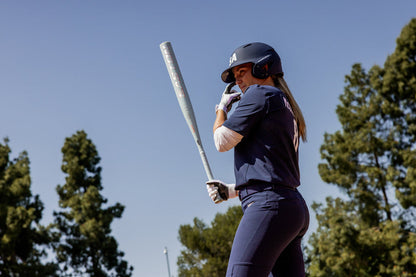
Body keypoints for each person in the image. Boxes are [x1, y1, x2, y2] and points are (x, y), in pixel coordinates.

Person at [206, 42, 310, 277]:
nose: (237, 80)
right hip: (290, 206)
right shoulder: (281, 101)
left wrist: (221, 110)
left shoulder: (260, 93)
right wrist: (232, 190)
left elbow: (221, 141)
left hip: (269, 205)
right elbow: (272, 169)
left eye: (242, 72)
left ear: (264, 68)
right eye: (235, 75)